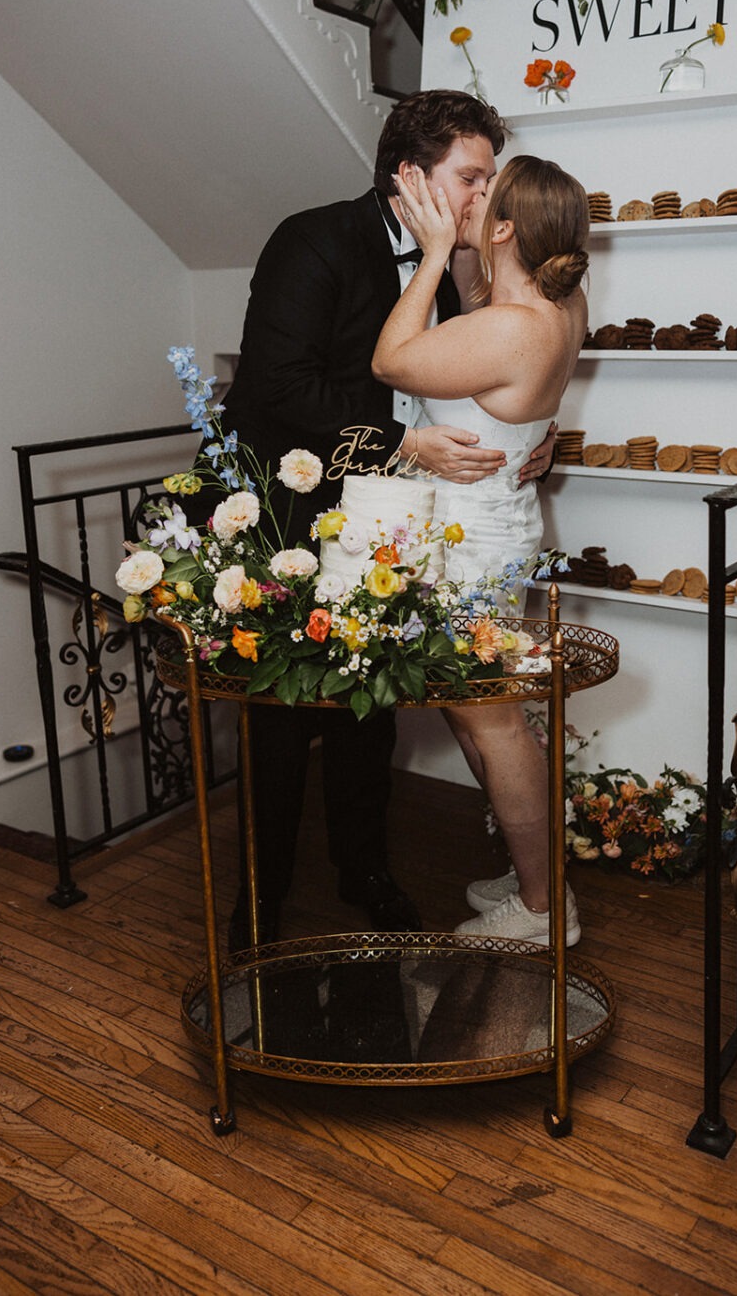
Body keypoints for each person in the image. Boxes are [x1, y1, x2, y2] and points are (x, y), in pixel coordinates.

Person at [210, 91, 555, 944]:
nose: (486, 199)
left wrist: (526, 443)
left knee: (372, 702)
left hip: (390, 519)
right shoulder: (312, 238)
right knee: (282, 715)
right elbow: (273, 388)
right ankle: (259, 898)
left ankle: (364, 869)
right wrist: (406, 444)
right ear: (411, 172)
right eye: (471, 178)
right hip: (290, 507)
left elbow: (486, 372)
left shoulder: (463, 261)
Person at [372, 154, 589, 945]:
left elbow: (392, 359)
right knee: (479, 718)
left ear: (505, 228)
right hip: (496, 523)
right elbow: (485, 304)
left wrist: (433, 251)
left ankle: (542, 909)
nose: (466, 202)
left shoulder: (510, 327)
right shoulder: (561, 303)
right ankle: (532, 870)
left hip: (474, 547)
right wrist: (467, 246)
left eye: (481, 196)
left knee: (492, 721)